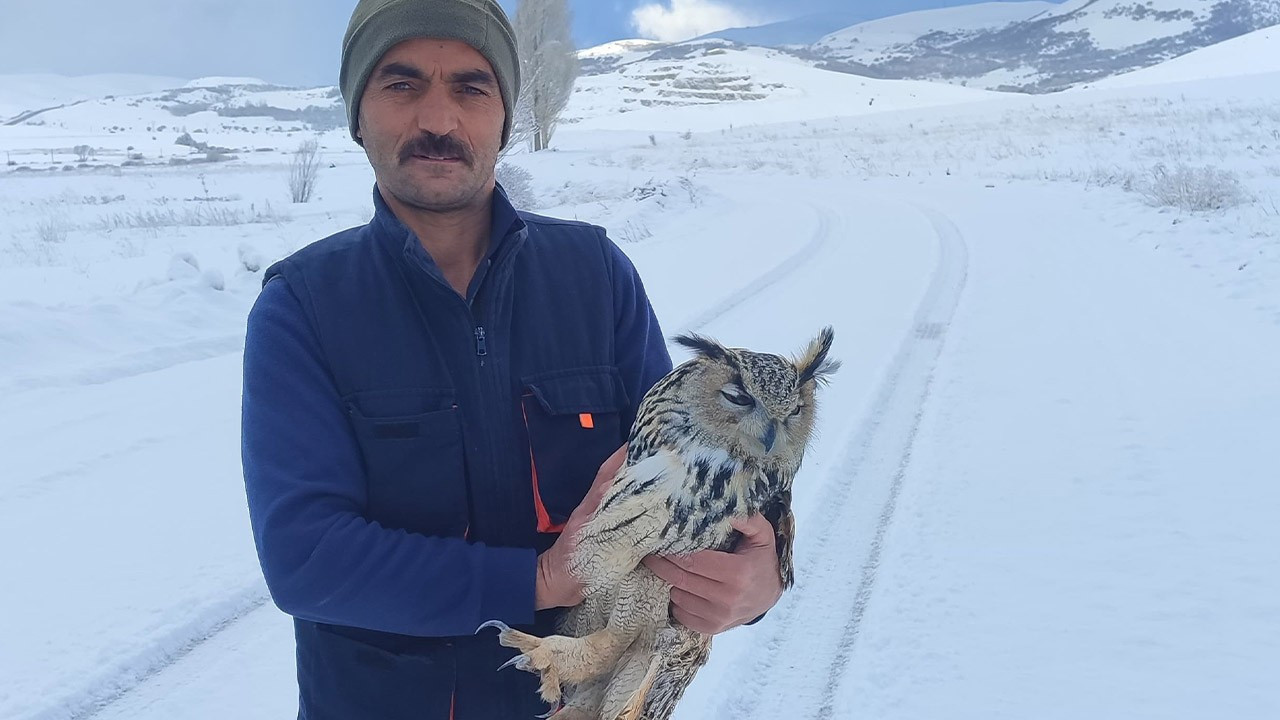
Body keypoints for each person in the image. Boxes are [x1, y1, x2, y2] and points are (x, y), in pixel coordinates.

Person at [240, 1, 783, 717]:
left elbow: (688, 476)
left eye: (471, 86)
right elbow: (308, 561)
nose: (439, 119)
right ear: (357, 115)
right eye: (401, 85)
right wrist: (540, 579)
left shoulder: (594, 275)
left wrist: (759, 576)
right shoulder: (304, 307)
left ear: (504, 115)